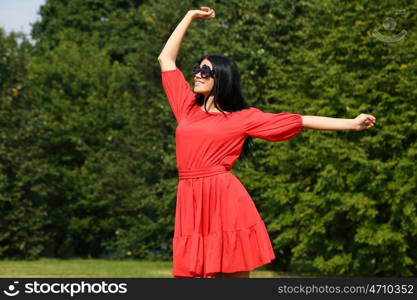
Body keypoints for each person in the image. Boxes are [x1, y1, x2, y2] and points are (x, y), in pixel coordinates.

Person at [157, 7, 376, 279]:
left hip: (223, 199)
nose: (198, 74)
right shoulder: (186, 108)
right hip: (190, 197)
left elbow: (299, 120)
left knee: (232, 276)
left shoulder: (243, 119)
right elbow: (166, 58)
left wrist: (352, 123)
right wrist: (189, 16)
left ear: (222, 77)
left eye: (205, 70)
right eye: (196, 69)